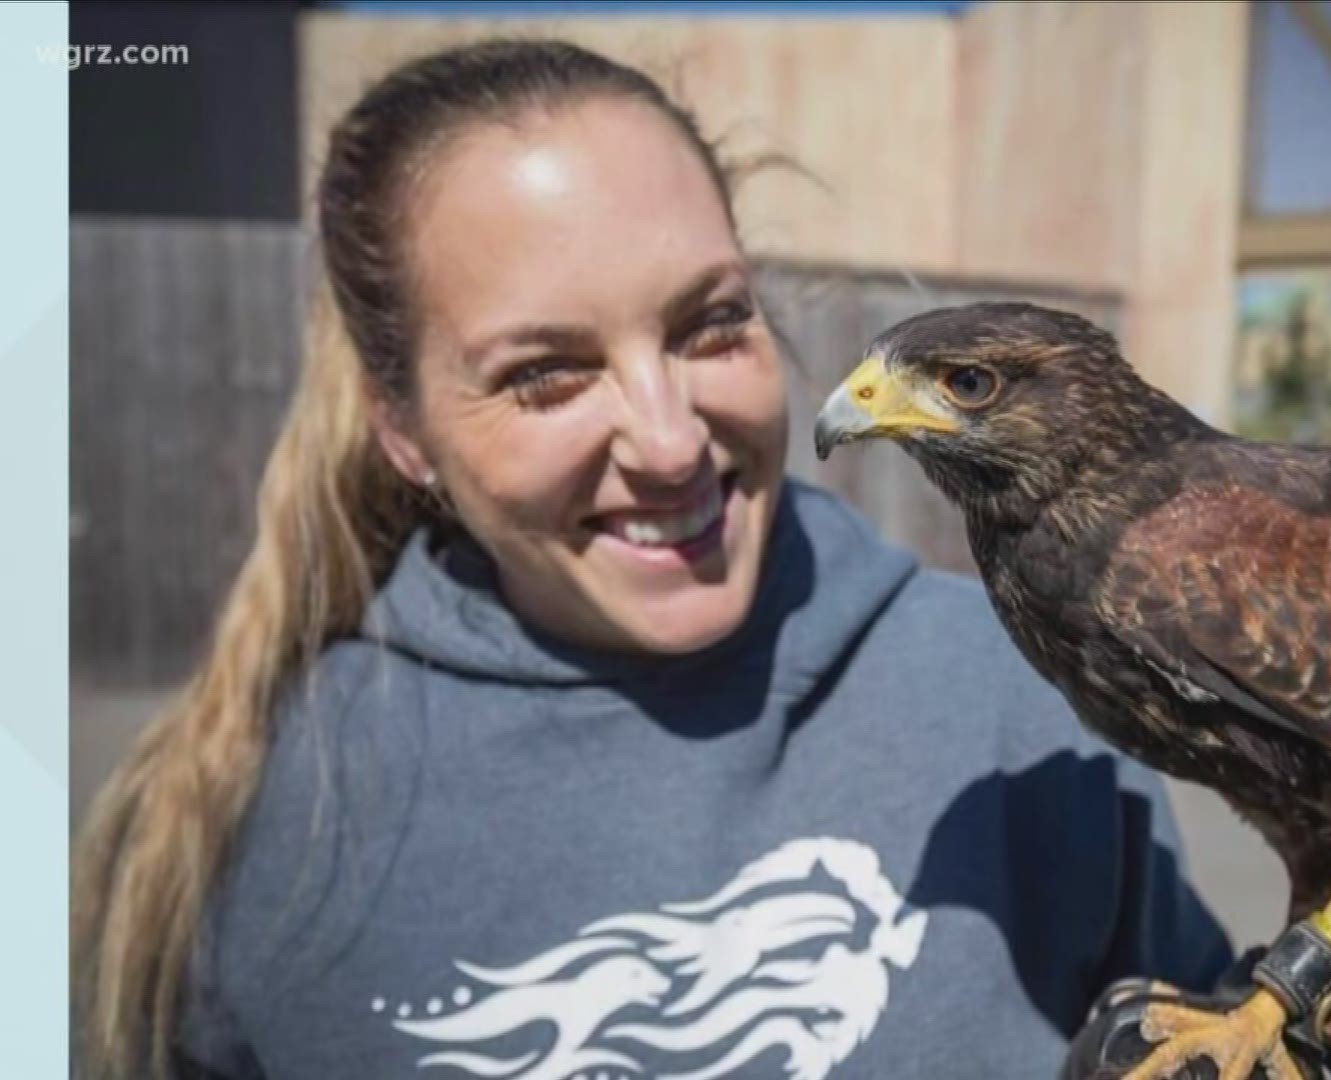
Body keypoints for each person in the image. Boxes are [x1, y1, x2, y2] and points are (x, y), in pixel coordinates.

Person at [70, 38, 1242, 1080]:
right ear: (403, 429)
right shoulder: (245, 811)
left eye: (708, 325)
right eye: (545, 374)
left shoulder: (1019, 699)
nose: (672, 440)